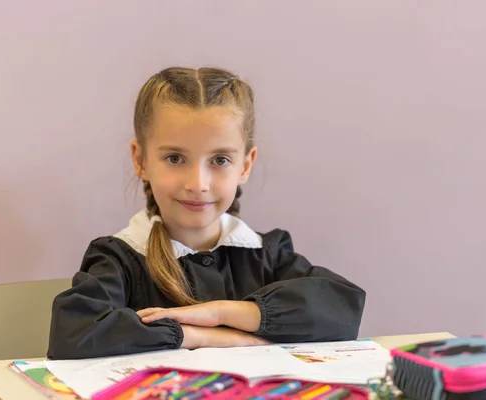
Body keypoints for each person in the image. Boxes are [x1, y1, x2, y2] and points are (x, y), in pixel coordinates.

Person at [47, 67, 366, 360]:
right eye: (174, 158)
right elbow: (73, 333)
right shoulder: (120, 257)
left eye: (220, 160)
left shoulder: (265, 253)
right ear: (140, 160)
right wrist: (196, 335)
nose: (197, 184)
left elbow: (342, 307)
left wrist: (222, 313)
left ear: (246, 164)